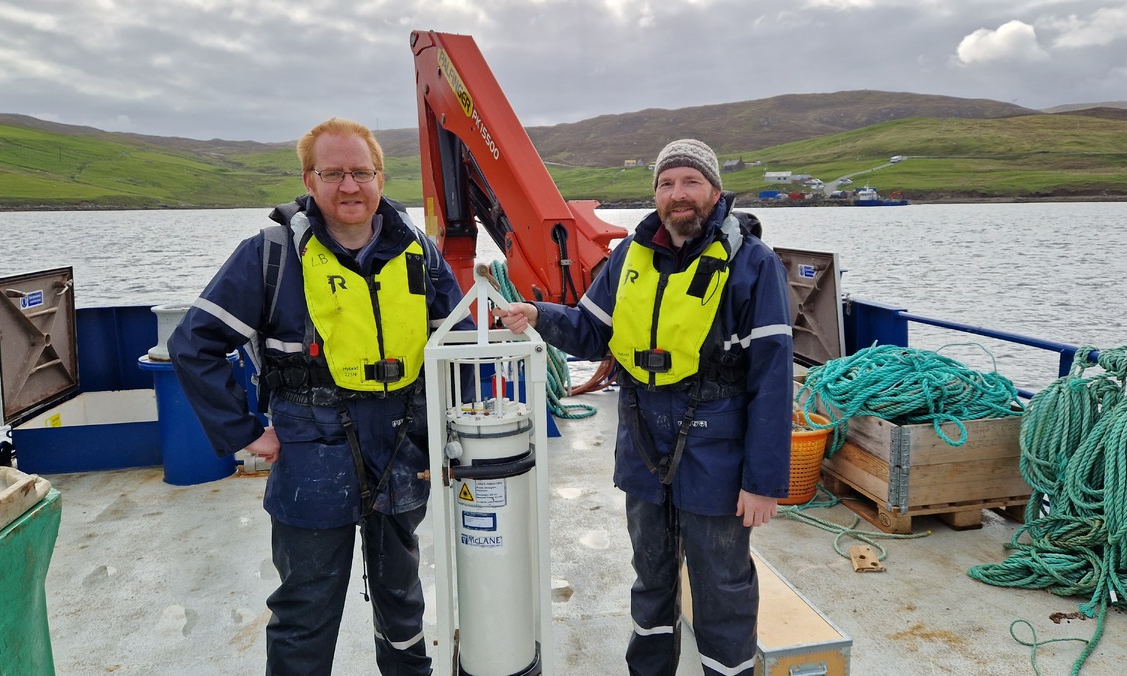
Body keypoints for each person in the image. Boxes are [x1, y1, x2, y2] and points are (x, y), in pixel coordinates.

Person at [169, 117, 471, 676]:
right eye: (332, 173)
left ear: (381, 177)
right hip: (312, 453)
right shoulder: (271, 255)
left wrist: (454, 436)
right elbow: (193, 344)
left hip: (402, 450)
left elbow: (459, 348)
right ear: (309, 181)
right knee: (306, 606)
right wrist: (244, 432)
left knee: (402, 600)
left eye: (361, 172)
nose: (349, 187)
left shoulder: (421, 255)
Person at [495, 139, 794, 675]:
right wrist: (538, 314)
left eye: (690, 182)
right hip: (643, 444)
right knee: (650, 575)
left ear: (715, 191)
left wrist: (764, 481)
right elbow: (591, 332)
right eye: (666, 183)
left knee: (721, 584)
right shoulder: (627, 258)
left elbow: (773, 378)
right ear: (655, 195)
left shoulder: (753, 262)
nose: (678, 194)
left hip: (718, 452)